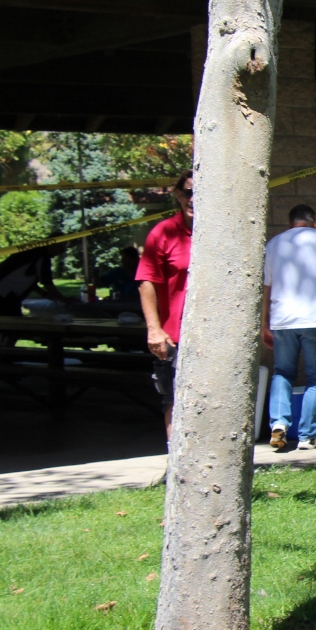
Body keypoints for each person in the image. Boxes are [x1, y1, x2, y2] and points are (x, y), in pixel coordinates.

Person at [262, 204, 316, 451]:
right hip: (314, 317)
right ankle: (308, 435)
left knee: (282, 372)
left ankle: (278, 423)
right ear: (314, 222)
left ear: (291, 223)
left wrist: (264, 323)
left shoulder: (274, 243)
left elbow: (266, 287)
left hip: (282, 319)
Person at [136, 170, 193, 438]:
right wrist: (154, 330)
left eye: (201, 194)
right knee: (174, 399)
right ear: (179, 196)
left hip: (214, 336)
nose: (194, 199)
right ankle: (176, 463)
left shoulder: (222, 233)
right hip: (175, 336)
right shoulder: (164, 232)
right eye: (189, 193)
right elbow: (146, 281)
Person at [0, 245, 67, 315]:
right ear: (53, 245)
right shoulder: (41, 256)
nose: (62, 251)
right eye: (62, 247)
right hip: (2, 290)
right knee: (10, 320)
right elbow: (47, 283)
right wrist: (63, 299)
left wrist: (44, 294)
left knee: (1, 318)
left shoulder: (34, 252)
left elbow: (26, 279)